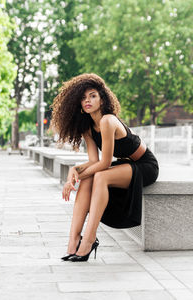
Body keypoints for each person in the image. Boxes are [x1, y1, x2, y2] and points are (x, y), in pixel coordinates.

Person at [50, 73, 159, 262]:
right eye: (83, 98)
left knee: (100, 176)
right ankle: (74, 241)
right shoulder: (88, 128)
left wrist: (77, 173)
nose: (88, 100)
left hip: (145, 166)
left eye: (92, 95)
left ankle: (89, 238)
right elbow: (94, 161)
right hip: (126, 165)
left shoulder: (108, 120)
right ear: (80, 105)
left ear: (102, 98)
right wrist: (74, 172)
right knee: (88, 178)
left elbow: (105, 163)